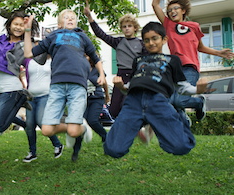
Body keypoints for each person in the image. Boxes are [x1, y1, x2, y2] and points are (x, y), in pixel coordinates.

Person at [104, 22, 208, 158]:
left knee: (182, 146)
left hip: (157, 101)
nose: (151, 43)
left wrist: (197, 90)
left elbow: (182, 86)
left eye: (155, 38)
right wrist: (121, 87)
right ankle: (143, 125)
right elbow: (130, 87)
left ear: (164, 40)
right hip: (133, 102)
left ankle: (178, 117)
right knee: (112, 150)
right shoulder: (138, 60)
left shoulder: (172, 60)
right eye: (146, 40)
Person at [23, 9, 105, 147]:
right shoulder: (53, 36)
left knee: (74, 132)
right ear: (60, 24)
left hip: (78, 85)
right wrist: (27, 30)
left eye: (73, 17)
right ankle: (78, 126)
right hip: (57, 86)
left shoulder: (82, 36)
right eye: (66, 17)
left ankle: (82, 128)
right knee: (46, 130)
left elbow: (95, 58)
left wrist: (101, 74)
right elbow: (28, 53)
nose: (70, 19)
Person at [152, 0, 234, 122]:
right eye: (169, 11)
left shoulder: (194, 26)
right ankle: (183, 120)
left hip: (190, 68)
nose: (172, 12)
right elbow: (155, 5)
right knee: (170, 100)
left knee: (179, 100)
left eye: (175, 8)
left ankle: (199, 102)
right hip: (174, 69)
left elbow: (200, 47)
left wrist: (218, 53)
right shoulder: (168, 25)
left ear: (183, 10)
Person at [0, 9, 43, 135]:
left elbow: (40, 59)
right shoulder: (0, 41)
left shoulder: (25, 45)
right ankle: (21, 103)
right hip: (1, 89)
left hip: (12, 89)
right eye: (16, 24)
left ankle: (21, 98)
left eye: (22, 25)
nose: (18, 27)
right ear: (9, 25)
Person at [84, 1, 148, 118]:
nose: (127, 28)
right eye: (124, 26)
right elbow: (101, 34)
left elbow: (146, 61)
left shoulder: (141, 44)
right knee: (114, 110)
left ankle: (139, 125)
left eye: (129, 26)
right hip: (120, 76)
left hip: (134, 76)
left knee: (127, 105)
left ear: (135, 28)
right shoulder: (118, 42)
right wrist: (89, 17)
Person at [22, 55, 64, 162]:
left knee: (41, 121)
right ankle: (32, 153)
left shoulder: (51, 61)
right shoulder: (28, 61)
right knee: (29, 125)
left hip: (45, 96)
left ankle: (57, 144)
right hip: (31, 97)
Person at [71, 54, 110, 162]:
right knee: (80, 124)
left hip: (97, 98)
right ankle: (75, 151)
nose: (86, 57)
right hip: (82, 100)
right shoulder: (79, 68)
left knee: (92, 121)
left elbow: (104, 83)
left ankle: (106, 138)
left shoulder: (97, 69)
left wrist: (107, 96)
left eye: (88, 55)